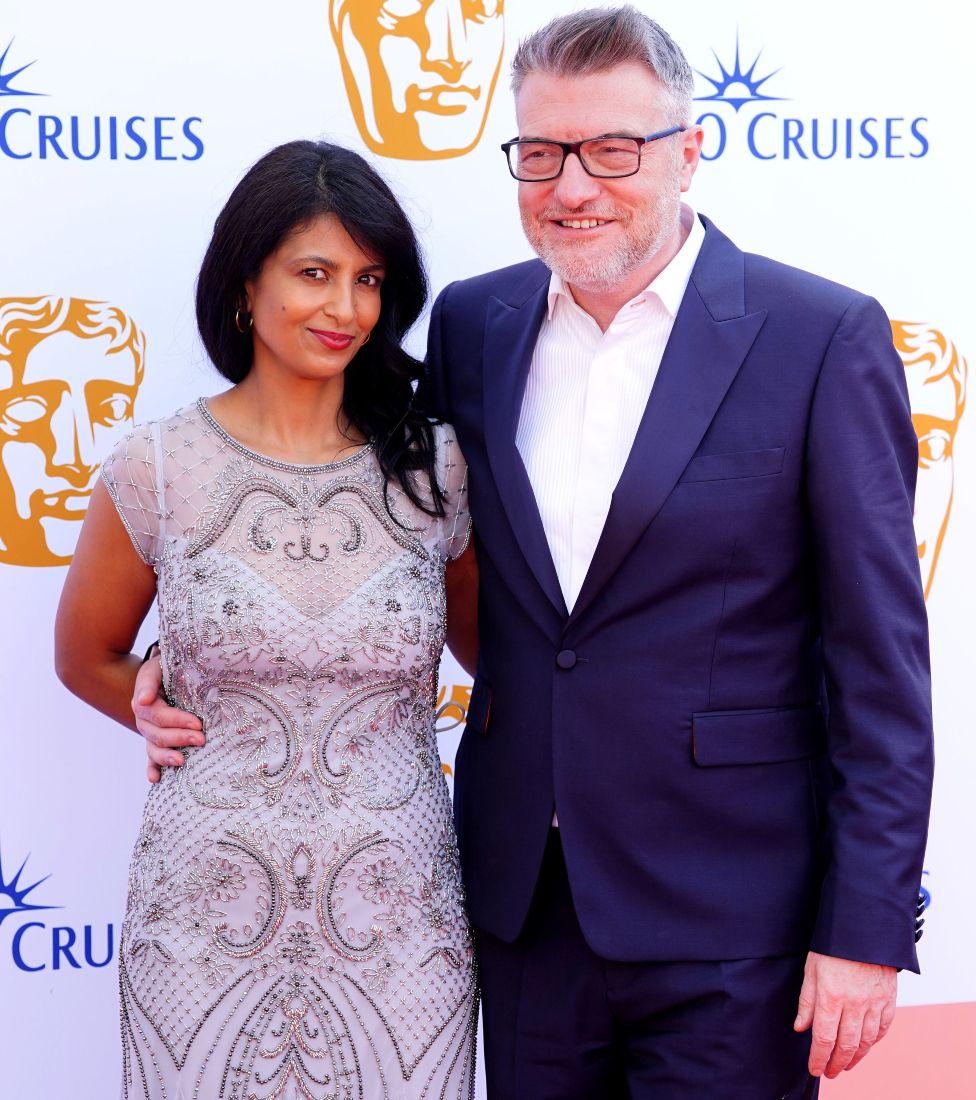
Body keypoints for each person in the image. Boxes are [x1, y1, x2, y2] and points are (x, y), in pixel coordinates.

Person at [133, 9, 934, 1098]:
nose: (572, 186)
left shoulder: (817, 337)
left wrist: (868, 927)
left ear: (689, 152)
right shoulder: (476, 325)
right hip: (519, 911)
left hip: (732, 921)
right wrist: (177, 660)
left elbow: (880, 662)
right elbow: (366, 513)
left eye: (613, 150)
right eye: (542, 153)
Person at [55, 139, 480, 1100]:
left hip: (401, 912)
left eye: (368, 280)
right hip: (204, 916)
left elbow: (494, 651)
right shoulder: (157, 466)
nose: (345, 309)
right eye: (315, 274)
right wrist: (152, 698)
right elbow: (85, 657)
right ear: (247, 284)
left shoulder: (436, 470)